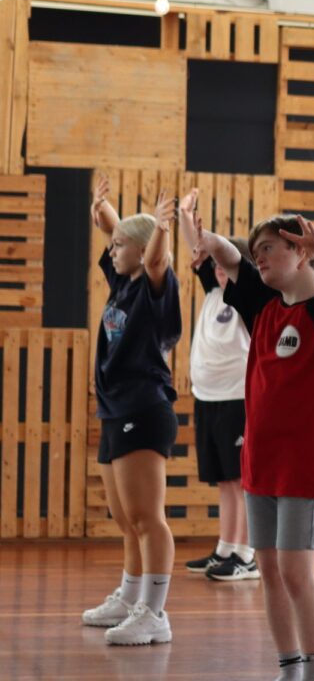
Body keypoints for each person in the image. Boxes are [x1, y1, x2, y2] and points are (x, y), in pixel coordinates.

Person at [190, 197, 314, 681]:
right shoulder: (262, 307)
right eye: (256, 250)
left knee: (295, 572)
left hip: (304, 462)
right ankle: (288, 671)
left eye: (270, 249)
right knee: (269, 570)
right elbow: (227, 255)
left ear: (300, 251)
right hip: (259, 461)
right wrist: (208, 241)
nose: (257, 258)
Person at [81, 178, 183, 646]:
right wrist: (101, 206)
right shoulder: (122, 283)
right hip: (114, 407)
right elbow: (114, 228)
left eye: (122, 245)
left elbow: (157, 257)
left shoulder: (154, 286)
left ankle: (154, 612)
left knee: (147, 517)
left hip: (143, 407)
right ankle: (129, 595)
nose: (112, 247)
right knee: (125, 518)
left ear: (141, 251)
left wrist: (161, 227)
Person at [178, 199, 256, 582]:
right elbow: (198, 246)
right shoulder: (212, 292)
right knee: (225, 479)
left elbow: (224, 256)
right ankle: (226, 547)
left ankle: (247, 553)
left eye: (227, 267)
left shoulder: (245, 299)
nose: (220, 272)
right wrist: (184, 217)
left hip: (237, 398)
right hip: (208, 397)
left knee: (241, 480)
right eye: (217, 268)